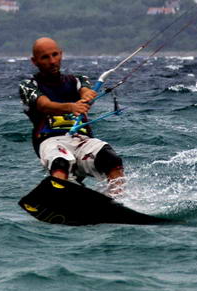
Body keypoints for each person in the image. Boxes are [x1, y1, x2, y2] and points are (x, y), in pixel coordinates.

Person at [19, 37, 124, 196]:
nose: (52, 61)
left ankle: (118, 201)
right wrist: (71, 106)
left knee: (111, 159)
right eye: (45, 57)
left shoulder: (77, 80)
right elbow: (44, 105)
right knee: (61, 163)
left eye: (55, 55)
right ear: (35, 61)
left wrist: (88, 95)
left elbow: (85, 90)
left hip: (81, 140)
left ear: (61, 54)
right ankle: (60, 199)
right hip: (51, 140)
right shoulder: (28, 86)